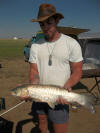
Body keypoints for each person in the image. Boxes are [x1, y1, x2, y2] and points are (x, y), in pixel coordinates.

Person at [28, 3, 83, 133]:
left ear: (57, 20)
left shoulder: (71, 43)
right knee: (41, 120)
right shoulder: (35, 46)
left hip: (60, 96)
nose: (45, 27)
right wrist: (32, 88)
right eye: (42, 24)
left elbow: (77, 70)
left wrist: (67, 86)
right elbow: (34, 70)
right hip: (40, 95)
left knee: (59, 126)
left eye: (49, 22)